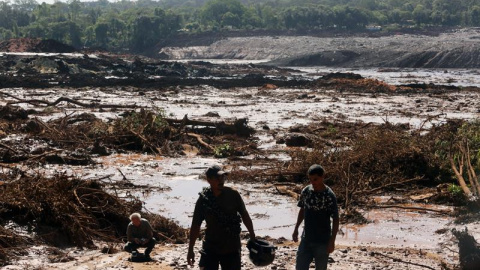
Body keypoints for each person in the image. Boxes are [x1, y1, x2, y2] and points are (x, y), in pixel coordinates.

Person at [187, 165, 256, 270]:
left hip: (231, 247)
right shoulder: (204, 200)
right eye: (217, 178)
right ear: (209, 180)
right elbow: (196, 225)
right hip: (211, 246)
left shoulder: (233, 195)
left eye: (222, 177)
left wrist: (252, 236)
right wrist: (190, 249)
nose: (221, 181)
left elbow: (245, 215)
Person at [292, 164, 339, 270]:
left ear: (323, 177)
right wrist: (296, 229)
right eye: (310, 179)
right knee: (300, 267)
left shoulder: (329, 195)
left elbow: (335, 219)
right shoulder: (306, 191)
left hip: (322, 242)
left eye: (316, 179)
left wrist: (332, 241)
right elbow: (302, 210)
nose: (313, 183)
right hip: (306, 239)